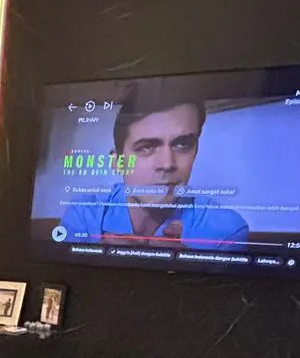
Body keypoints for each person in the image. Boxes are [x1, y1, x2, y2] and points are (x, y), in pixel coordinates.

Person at [59, 87, 248, 248]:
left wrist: (187, 267)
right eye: (146, 147)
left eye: (182, 144)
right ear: (117, 162)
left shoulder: (226, 231)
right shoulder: (84, 215)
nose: (167, 164)